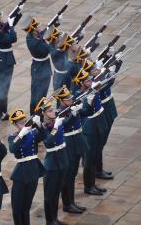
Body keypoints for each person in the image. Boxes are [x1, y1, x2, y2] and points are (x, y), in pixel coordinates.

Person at [55, 86, 93, 214]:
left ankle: (72, 202)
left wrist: (90, 102)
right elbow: (64, 125)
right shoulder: (58, 113)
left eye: (71, 98)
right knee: (68, 176)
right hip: (68, 145)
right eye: (68, 99)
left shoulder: (71, 107)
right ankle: (67, 204)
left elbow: (87, 113)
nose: (71, 100)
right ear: (61, 101)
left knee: (73, 174)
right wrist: (73, 113)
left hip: (77, 142)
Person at [72, 67, 106, 195]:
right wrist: (88, 102)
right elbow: (83, 112)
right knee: (88, 158)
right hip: (88, 128)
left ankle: (92, 184)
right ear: (81, 83)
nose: (90, 82)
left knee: (94, 155)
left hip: (96, 125)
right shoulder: (78, 96)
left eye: (89, 80)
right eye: (86, 81)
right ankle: (88, 186)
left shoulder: (91, 89)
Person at [8, 109, 45, 225]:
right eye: (20, 123)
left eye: (24, 121)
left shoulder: (32, 133)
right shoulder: (13, 137)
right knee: (17, 207)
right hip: (21, 174)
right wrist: (21, 135)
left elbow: (44, 136)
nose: (23, 124)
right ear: (15, 125)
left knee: (27, 206)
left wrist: (39, 124)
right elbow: (13, 149)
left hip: (33, 171)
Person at [34, 97, 68, 225]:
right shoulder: (43, 127)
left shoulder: (56, 120)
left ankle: (55, 218)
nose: (52, 112)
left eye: (52, 109)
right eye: (49, 111)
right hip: (52, 161)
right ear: (43, 113)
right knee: (49, 194)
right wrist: (55, 128)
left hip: (62, 157)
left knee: (57, 191)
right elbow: (48, 141)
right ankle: (49, 220)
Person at [21, 16, 51, 115]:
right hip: (42, 69)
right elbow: (48, 48)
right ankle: (38, 116)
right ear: (33, 29)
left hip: (36, 68)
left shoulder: (30, 37)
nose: (39, 27)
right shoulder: (36, 43)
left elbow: (40, 34)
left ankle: (32, 114)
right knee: (41, 96)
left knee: (35, 93)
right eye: (37, 26)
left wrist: (50, 27)